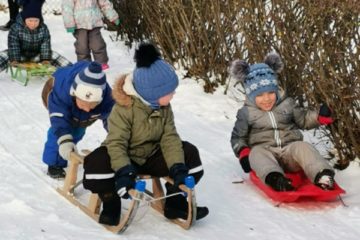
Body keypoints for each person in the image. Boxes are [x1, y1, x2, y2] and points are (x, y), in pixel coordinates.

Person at [82, 43, 209, 226]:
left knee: (190, 153)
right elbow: (116, 143)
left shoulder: (163, 107)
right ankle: (110, 201)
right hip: (125, 156)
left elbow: (169, 137)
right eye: (169, 92)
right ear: (152, 93)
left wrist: (178, 167)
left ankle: (175, 201)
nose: (173, 94)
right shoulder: (124, 108)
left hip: (151, 155)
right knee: (96, 163)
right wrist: (124, 170)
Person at [229, 52, 336, 192]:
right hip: (266, 153)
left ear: (276, 90)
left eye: (270, 93)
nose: (266, 99)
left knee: (303, 146)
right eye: (260, 95)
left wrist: (319, 117)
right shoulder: (246, 113)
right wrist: (243, 152)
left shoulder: (287, 104)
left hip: (290, 152)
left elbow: (303, 119)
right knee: (256, 153)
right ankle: (276, 179)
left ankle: (322, 174)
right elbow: (238, 137)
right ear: (250, 95)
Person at [41, 61, 114, 179]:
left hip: (84, 116)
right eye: (84, 104)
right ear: (74, 93)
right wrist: (64, 139)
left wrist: (115, 137)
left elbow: (112, 119)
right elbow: (58, 117)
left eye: (91, 105)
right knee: (58, 134)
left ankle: (69, 146)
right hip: (54, 96)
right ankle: (54, 164)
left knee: (77, 132)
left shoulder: (108, 99)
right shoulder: (62, 90)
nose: (86, 109)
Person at [0, 0, 71, 73]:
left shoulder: (43, 28)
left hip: (36, 55)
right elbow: (13, 45)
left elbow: (45, 45)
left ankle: (72, 71)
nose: (33, 24)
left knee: (54, 55)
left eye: (36, 21)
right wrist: (15, 59)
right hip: (20, 55)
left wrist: (45, 59)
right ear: (24, 19)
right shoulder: (15, 28)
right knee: (4, 55)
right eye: (30, 21)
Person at [61, 0, 120, 70]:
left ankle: (101, 62)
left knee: (98, 44)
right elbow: (67, 7)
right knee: (82, 47)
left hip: (94, 23)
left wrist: (113, 16)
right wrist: (69, 23)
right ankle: (84, 64)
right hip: (79, 25)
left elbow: (105, 3)